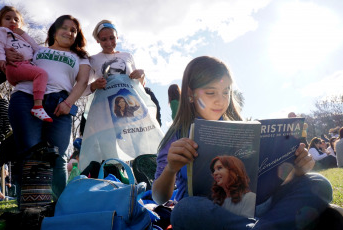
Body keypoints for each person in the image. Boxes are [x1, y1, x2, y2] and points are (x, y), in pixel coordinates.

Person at [152, 56, 332, 230]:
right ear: (190, 94)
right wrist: (171, 169)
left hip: (258, 207)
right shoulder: (176, 136)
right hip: (213, 214)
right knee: (184, 211)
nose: (220, 100)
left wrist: (297, 168)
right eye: (210, 92)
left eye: (226, 92)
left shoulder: (243, 127)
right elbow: (159, 197)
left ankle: (262, 227)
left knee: (318, 183)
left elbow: (266, 179)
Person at [7, 15, 90, 206]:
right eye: (65, 28)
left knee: (58, 157)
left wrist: (68, 103)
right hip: (26, 99)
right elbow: (14, 65)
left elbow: (83, 82)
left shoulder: (80, 57)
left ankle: (60, 208)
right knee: (29, 153)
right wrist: (10, 57)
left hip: (59, 104)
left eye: (73, 30)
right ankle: (29, 208)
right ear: (54, 31)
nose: (69, 32)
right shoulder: (36, 50)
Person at [0, 6, 52, 122]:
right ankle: (38, 106)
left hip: (25, 65)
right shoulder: (2, 31)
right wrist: (1, 58)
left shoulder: (21, 38)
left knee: (40, 77)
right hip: (15, 66)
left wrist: (24, 34)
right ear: (0, 22)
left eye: (16, 20)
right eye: (8, 18)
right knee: (41, 74)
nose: (12, 21)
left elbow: (36, 47)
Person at [84, 19, 145, 96]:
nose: (109, 43)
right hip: (104, 105)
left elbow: (139, 86)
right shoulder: (92, 60)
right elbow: (82, 91)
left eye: (112, 38)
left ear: (117, 37)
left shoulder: (128, 56)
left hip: (131, 103)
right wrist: (94, 86)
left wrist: (142, 75)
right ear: (97, 40)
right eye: (104, 39)